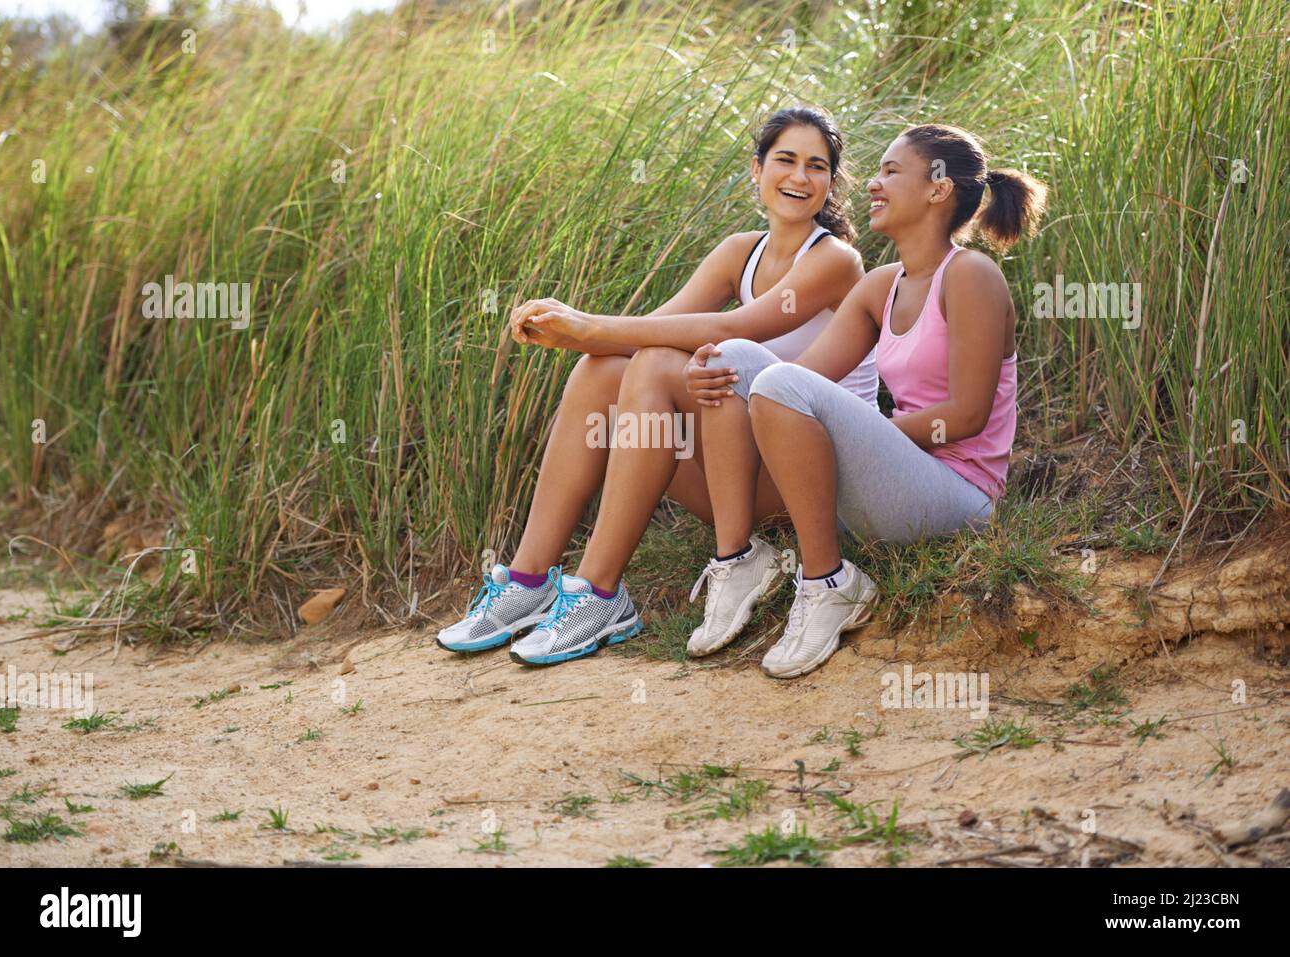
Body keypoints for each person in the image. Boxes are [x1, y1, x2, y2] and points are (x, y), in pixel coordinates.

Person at [436, 106, 878, 662]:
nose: (798, 177)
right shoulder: (740, 252)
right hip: (745, 470)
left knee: (650, 365)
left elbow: (730, 329)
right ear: (756, 169)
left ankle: (598, 591)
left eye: (817, 167)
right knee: (603, 371)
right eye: (785, 160)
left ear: (831, 184)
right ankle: (529, 582)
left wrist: (589, 326)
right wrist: (566, 329)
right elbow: (659, 328)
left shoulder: (835, 260)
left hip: (816, 482)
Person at [688, 123, 1049, 677]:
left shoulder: (972, 276)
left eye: (890, 172)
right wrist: (725, 385)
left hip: (958, 497)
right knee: (733, 360)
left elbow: (968, 415)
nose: (872, 185)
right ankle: (736, 560)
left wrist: (863, 435)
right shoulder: (882, 285)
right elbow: (793, 382)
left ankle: (829, 582)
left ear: (936, 188)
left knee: (779, 385)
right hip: (890, 485)